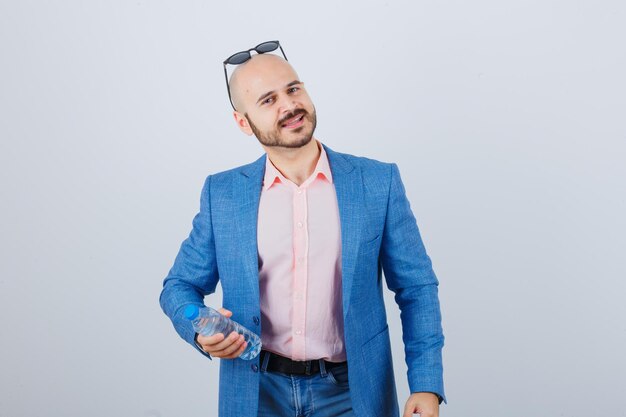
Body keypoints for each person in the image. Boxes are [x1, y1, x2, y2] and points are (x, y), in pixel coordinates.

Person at [159, 40, 446, 417]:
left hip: (353, 394)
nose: (289, 105)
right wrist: (199, 328)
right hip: (256, 392)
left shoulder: (378, 183)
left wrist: (425, 385)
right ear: (243, 122)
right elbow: (179, 287)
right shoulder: (223, 195)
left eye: (293, 89)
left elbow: (416, 287)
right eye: (267, 100)